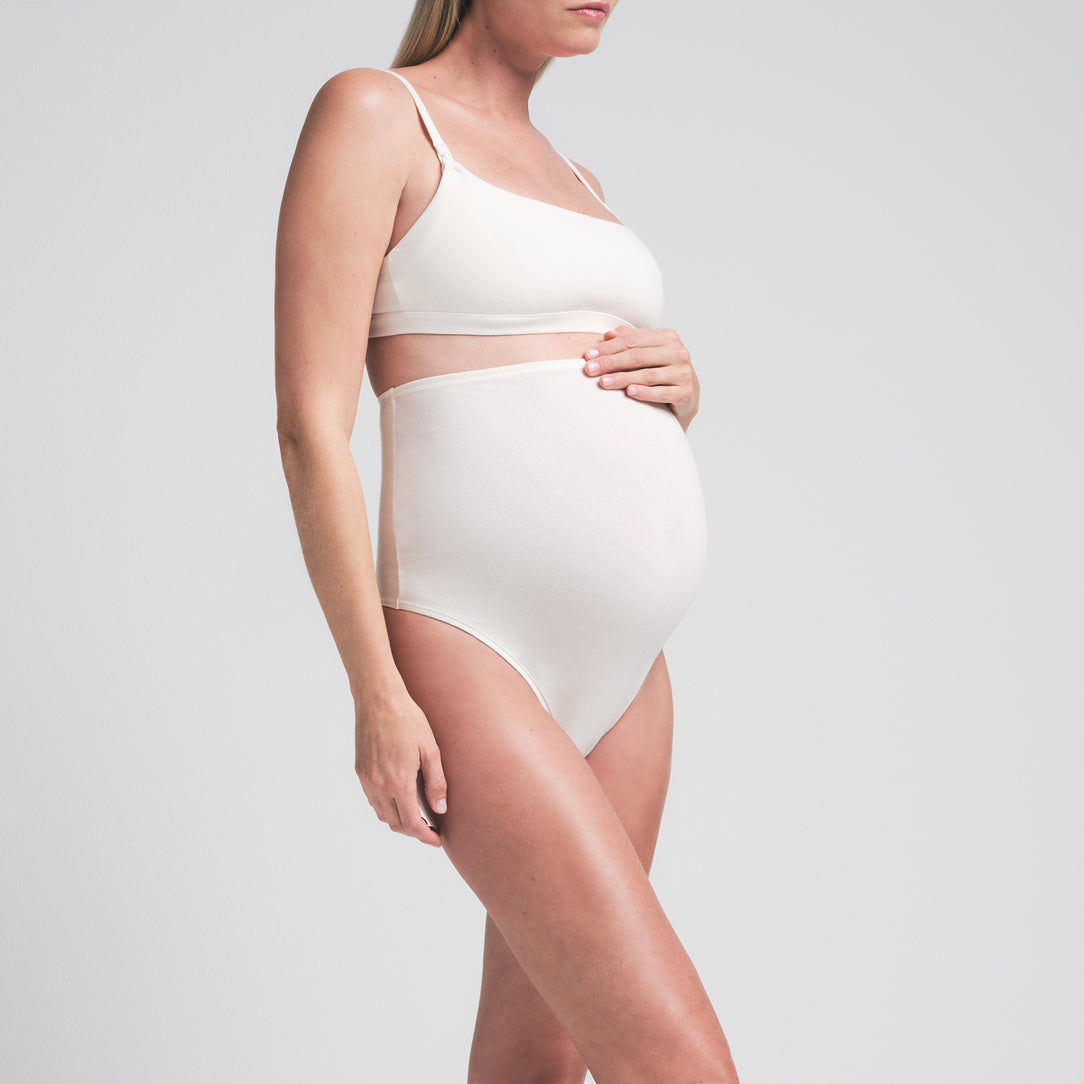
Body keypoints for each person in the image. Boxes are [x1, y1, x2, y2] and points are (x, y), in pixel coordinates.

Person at [275, 1, 740, 1080]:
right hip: (470, 643)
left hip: (628, 673)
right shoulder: (376, 115)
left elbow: (547, 389)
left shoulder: (577, 177)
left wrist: (677, 392)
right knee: (678, 1063)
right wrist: (376, 689)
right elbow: (310, 426)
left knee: (534, 1063)